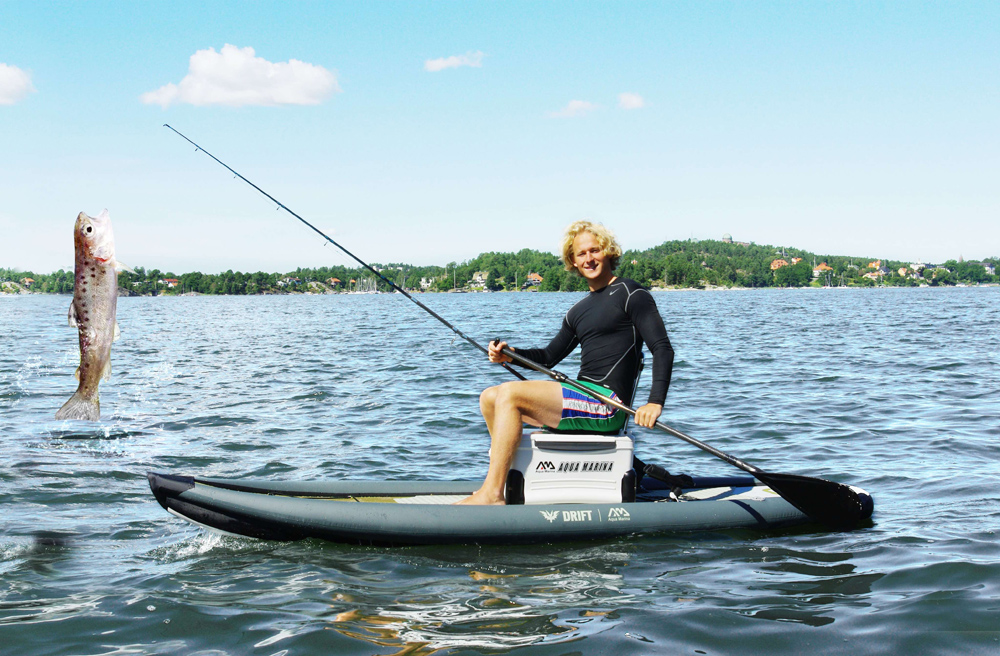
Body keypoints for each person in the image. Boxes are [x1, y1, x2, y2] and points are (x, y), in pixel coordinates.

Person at [457, 220, 675, 505]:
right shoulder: (578, 311)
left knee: (510, 395)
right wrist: (510, 354)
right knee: (490, 397)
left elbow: (662, 348)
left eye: (594, 250)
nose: (589, 259)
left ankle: (492, 494)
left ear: (608, 252)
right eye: (581, 254)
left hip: (607, 404)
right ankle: (511, 478)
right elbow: (548, 357)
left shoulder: (632, 294)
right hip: (583, 395)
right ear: (573, 261)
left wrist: (654, 402)